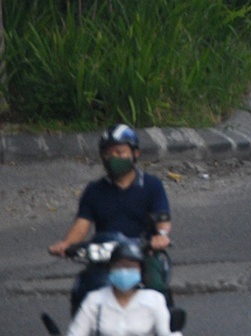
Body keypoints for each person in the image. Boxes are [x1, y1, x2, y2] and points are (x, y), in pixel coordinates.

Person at [49, 126, 172, 313]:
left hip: (143, 253)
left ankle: (167, 328)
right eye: (108, 153)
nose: (114, 157)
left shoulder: (152, 185)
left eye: (120, 152)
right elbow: (82, 224)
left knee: (157, 292)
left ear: (135, 153)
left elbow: (162, 219)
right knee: (83, 289)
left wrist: (160, 236)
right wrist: (66, 244)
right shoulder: (94, 191)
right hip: (105, 255)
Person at [65, 237, 172, 336]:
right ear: (110, 270)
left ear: (141, 271)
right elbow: (76, 333)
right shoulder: (94, 300)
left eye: (131, 267)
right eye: (118, 266)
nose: (124, 271)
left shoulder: (154, 300)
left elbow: (166, 332)